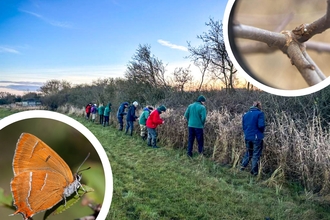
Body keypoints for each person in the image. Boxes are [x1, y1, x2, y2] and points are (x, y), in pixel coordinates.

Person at [240, 101, 266, 176]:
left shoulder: (246, 115)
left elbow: (244, 126)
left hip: (247, 136)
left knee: (248, 152)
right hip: (256, 137)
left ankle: (242, 167)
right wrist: (261, 132)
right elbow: (261, 126)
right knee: (256, 154)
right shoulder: (260, 114)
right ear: (259, 106)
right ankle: (254, 172)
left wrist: (247, 133)